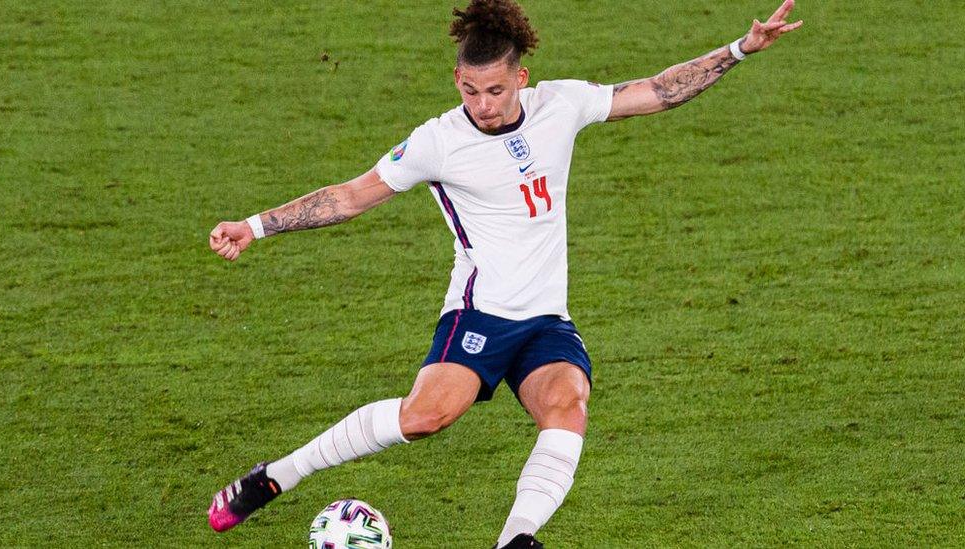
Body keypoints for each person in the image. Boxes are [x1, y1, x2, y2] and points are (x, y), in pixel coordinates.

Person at [206, 0, 802, 546]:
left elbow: (654, 91)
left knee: (568, 405)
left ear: (520, 78)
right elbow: (351, 196)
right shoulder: (437, 142)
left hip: (545, 317)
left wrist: (739, 49)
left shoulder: (560, 104)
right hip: (481, 310)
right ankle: (277, 476)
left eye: (493, 90)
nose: (482, 105)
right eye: (470, 91)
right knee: (425, 418)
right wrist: (255, 226)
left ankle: (515, 539)